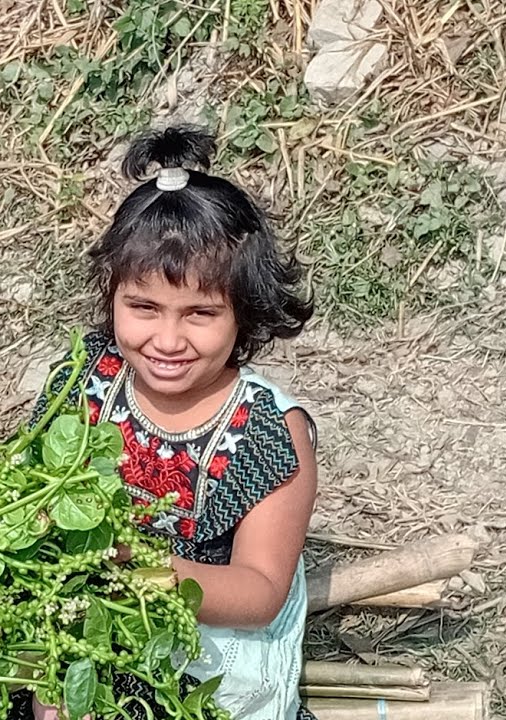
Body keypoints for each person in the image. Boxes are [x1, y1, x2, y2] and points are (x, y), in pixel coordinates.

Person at [32, 126, 318, 720]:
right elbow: (27, 481)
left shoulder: (268, 432)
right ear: (112, 296)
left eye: (200, 314)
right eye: (143, 308)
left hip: (202, 657)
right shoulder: (86, 378)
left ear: (247, 310)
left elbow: (262, 593)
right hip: (79, 625)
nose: (167, 340)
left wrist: (143, 568)